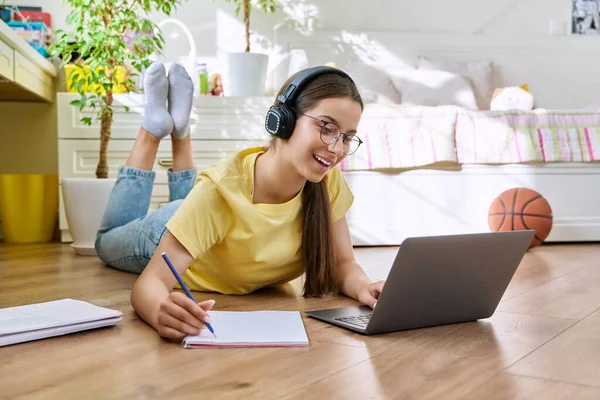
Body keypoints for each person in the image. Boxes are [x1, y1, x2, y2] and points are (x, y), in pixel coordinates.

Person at [95, 62, 385, 340]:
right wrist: (161, 310)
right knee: (106, 241)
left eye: (347, 137)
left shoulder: (325, 180)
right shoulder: (220, 192)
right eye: (326, 127)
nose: (337, 149)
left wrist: (365, 288)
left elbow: (343, 263)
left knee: (195, 202)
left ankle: (181, 131)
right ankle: (151, 129)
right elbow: (150, 284)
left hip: (205, 223)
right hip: (163, 231)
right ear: (282, 120)